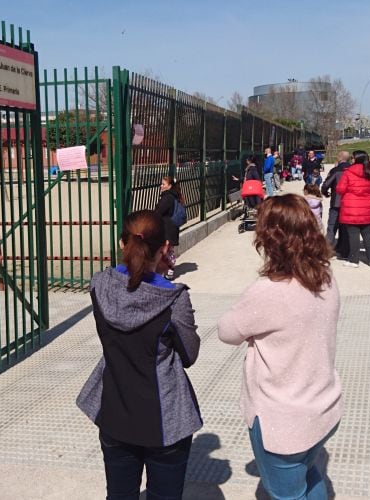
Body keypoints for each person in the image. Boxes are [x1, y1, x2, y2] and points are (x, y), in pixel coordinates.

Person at [217, 195, 342, 500]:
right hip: (323, 408)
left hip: (283, 424)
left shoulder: (268, 292)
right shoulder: (325, 279)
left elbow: (226, 331)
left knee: (288, 494)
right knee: (311, 474)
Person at [76, 210, 201, 500]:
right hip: (165, 420)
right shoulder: (173, 298)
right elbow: (189, 354)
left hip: (114, 411)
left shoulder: (100, 284)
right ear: (165, 248)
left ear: (123, 243)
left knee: (119, 495)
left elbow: (130, 286)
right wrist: (162, 276)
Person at [336, 151, 370, 268]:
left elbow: (340, 189)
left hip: (351, 207)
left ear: (355, 159)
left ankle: (354, 260)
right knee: (368, 234)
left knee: (353, 235)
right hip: (367, 207)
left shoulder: (348, 173)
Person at [320, 151, 350, 258]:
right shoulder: (352, 170)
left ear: (340, 157)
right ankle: (344, 249)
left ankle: (328, 249)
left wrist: (325, 192)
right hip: (349, 203)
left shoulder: (336, 170)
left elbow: (326, 184)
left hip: (337, 201)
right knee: (345, 227)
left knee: (332, 226)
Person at [155, 176, 184, 279]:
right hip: (172, 227)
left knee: (164, 251)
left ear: (170, 186)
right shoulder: (175, 196)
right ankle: (169, 270)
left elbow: (159, 211)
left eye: (163, 184)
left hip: (166, 228)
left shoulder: (167, 197)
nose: (161, 186)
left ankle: (168, 270)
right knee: (169, 250)